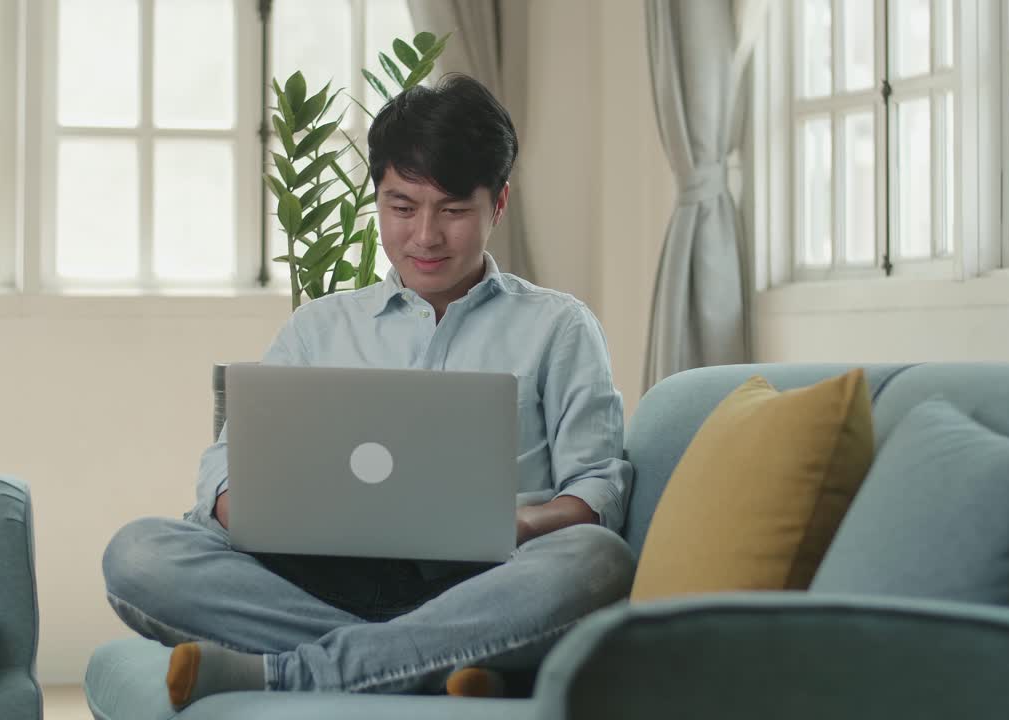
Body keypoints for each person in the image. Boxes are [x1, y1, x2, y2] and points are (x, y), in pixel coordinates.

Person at [102, 74, 636, 707]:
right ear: (377, 199)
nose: (425, 236)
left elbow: (597, 487)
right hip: (316, 581)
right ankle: (440, 661)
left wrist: (519, 522)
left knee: (596, 561)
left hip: (488, 583)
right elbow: (225, 469)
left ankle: (292, 673)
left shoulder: (559, 326)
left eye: (454, 210)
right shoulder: (317, 328)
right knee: (139, 555)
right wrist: (252, 510)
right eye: (402, 207)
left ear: (498, 204)